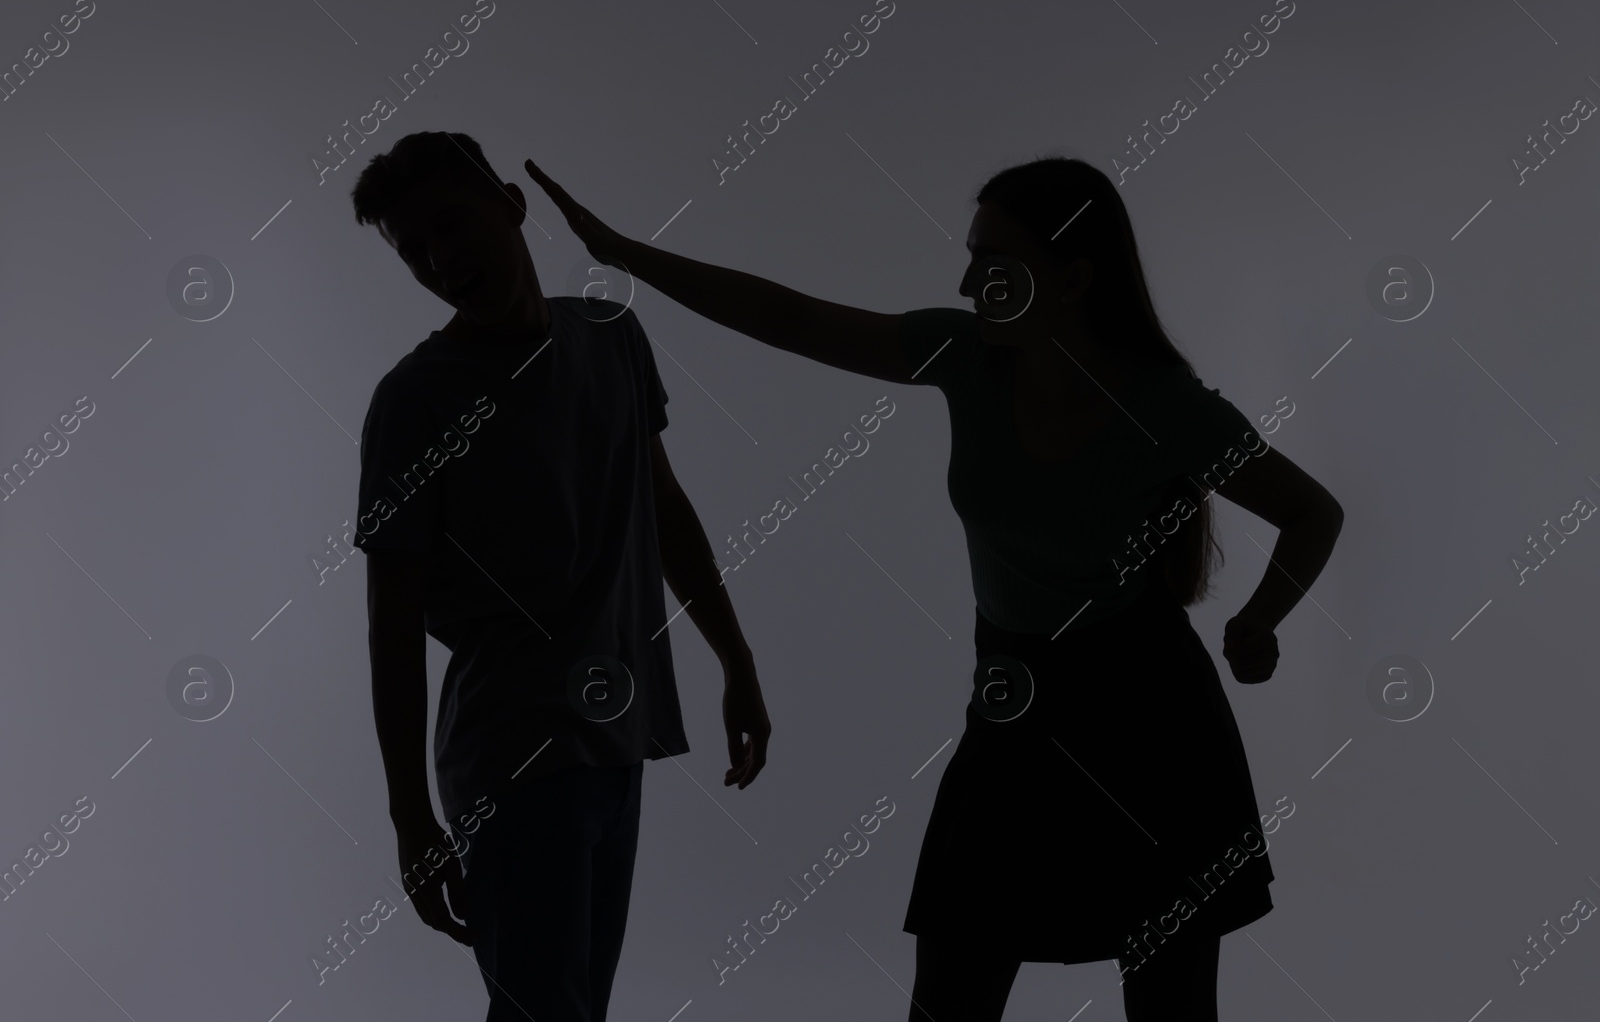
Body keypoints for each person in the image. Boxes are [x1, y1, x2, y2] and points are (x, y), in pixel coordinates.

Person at [519, 153, 1344, 1022]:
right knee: (952, 993)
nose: (966, 278)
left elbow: (1310, 511)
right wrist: (625, 252)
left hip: (1151, 721)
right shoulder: (967, 357)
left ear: (1073, 278)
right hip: (1015, 708)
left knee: (1170, 1004)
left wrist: (1260, 619)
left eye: (993, 261)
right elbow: (789, 317)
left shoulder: (1166, 407)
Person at [348, 130, 772, 1022]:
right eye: (413, 249)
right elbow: (390, 624)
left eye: (452, 226)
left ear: (512, 203)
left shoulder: (612, 334)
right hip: (513, 753)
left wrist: (734, 658)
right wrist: (409, 819)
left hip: (616, 743)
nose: (439, 259)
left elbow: (663, 508)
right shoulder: (416, 400)